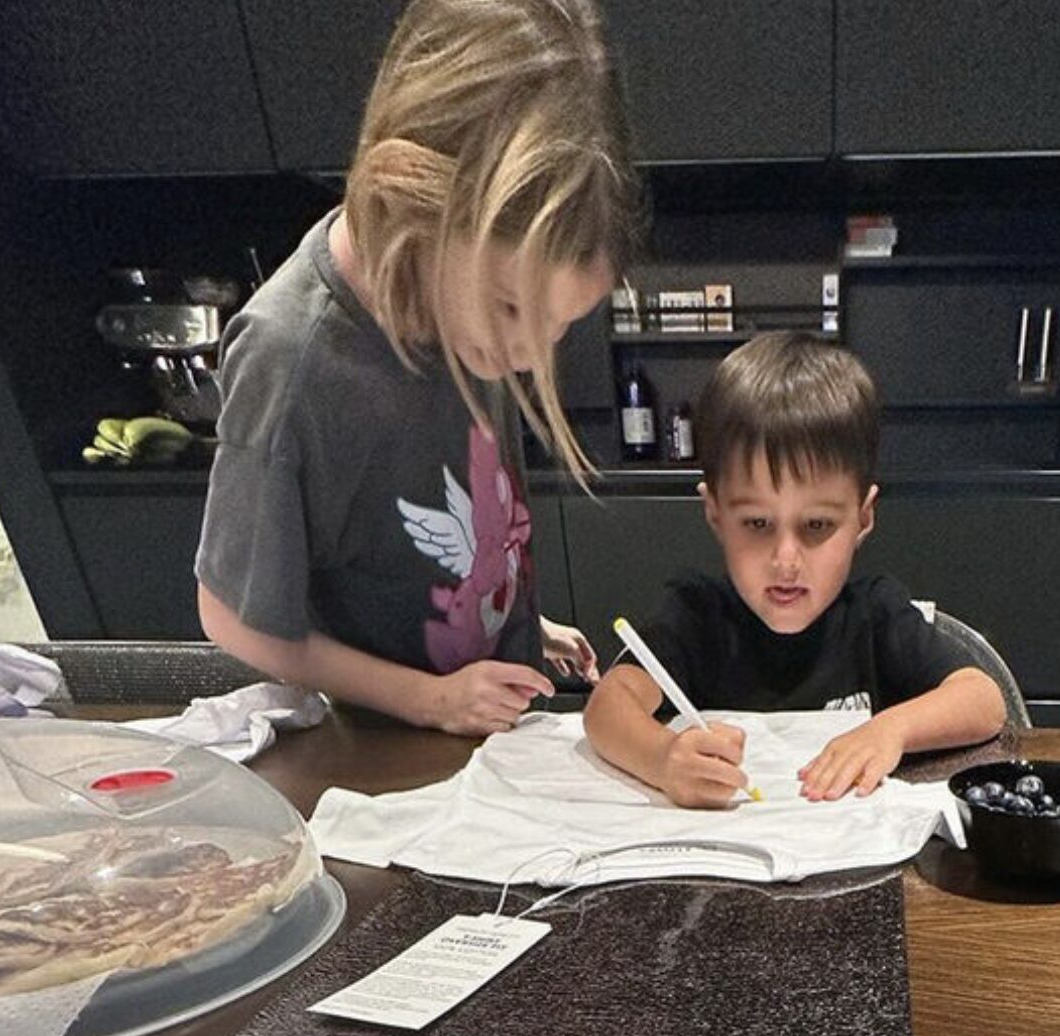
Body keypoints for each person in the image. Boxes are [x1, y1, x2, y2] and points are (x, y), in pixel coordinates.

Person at [195, 0, 643, 738]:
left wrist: (521, 621)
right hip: (391, 749)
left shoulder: (467, 302)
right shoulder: (294, 360)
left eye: (560, 324)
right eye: (510, 309)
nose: (530, 354)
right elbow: (231, 618)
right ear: (414, 197)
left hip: (487, 722)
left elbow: (432, 544)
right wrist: (428, 699)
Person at [583, 332, 1006, 808]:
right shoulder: (696, 616)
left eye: (817, 525)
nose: (786, 559)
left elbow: (984, 700)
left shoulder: (874, 612)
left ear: (863, 517)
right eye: (757, 523)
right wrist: (663, 759)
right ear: (715, 513)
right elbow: (607, 707)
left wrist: (891, 729)